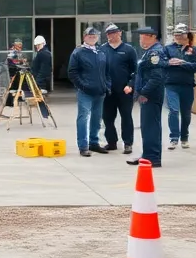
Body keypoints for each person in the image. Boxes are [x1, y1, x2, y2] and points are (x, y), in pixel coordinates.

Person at [68, 26, 111, 157]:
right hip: (85, 92)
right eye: (89, 36)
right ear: (84, 37)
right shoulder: (78, 52)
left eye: (95, 36)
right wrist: (83, 86)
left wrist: (107, 85)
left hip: (100, 92)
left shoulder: (101, 52)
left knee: (97, 119)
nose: (92, 38)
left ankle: (94, 143)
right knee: (83, 118)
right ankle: (83, 146)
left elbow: (107, 71)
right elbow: (72, 72)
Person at [162, 23, 196, 150]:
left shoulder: (194, 49)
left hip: (187, 85)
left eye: (181, 34)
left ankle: (184, 137)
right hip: (171, 85)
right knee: (174, 110)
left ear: (187, 35)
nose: (178, 37)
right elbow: (161, 63)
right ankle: (174, 138)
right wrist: (169, 63)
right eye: (176, 34)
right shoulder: (167, 49)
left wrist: (183, 63)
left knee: (186, 113)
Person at [129, 26, 166, 168]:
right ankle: (147, 155)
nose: (140, 39)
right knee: (147, 126)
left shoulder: (155, 52)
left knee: (151, 127)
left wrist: (143, 92)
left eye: (143, 36)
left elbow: (156, 77)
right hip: (147, 95)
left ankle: (152, 157)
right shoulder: (149, 52)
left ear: (152, 37)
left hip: (150, 96)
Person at [99, 23, 137, 155]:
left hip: (124, 90)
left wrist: (130, 85)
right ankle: (111, 142)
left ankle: (128, 143)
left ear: (120, 33)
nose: (111, 36)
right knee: (107, 118)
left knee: (126, 116)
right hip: (108, 91)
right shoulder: (102, 49)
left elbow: (135, 71)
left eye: (114, 33)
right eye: (109, 34)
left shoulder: (129, 49)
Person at [30, 34, 53, 122]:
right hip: (39, 80)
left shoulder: (44, 54)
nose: (37, 47)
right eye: (36, 45)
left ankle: (45, 115)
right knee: (40, 102)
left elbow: (44, 71)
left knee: (41, 102)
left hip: (40, 82)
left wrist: (39, 84)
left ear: (43, 44)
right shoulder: (42, 53)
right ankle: (45, 115)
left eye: (38, 45)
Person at [4, 37, 26, 106]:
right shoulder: (12, 51)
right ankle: (10, 102)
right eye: (19, 44)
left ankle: (18, 97)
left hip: (17, 70)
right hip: (12, 71)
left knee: (19, 85)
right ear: (15, 45)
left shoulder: (19, 51)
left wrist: (23, 61)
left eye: (21, 44)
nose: (20, 46)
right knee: (13, 86)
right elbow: (12, 62)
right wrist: (21, 61)